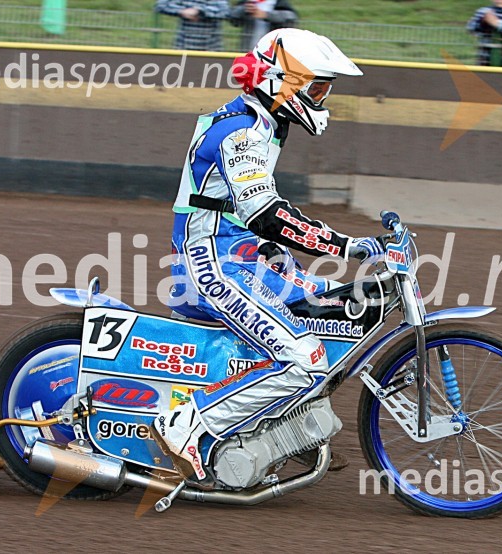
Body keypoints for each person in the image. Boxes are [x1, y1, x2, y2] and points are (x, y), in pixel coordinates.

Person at [151, 29, 383, 483]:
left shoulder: (263, 122)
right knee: (306, 357)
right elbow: (267, 214)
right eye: (317, 87)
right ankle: (187, 424)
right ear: (283, 81)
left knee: (330, 310)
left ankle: (289, 427)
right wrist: (344, 246)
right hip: (211, 264)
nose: (322, 98)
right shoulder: (242, 132)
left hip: (240, 256)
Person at [155, 0, 230, 52]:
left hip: (211, 48)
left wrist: (199, 11)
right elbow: (161, 5)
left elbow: (225, 12)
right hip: (182, 47)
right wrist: (181, 11)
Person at [229, 0, 299, 52]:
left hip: (272, 52)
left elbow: (291, 17)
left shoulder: (278, 2)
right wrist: (244, 9)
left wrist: (266, 15)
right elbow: (233, 17)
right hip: (248, 50)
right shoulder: (248, 2)